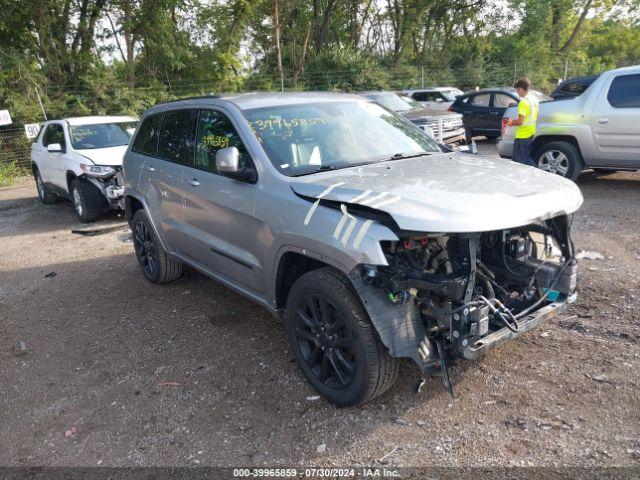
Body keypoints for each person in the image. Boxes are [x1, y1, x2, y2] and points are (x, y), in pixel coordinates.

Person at [507, 77, 539, 167]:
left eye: (517, 90)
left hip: (522, 135)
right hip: (530, 132)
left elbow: (520, 121)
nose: (517, 92)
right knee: (525, 157)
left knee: (520, 161)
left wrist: (511, 122)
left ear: (521, 88)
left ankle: (538, 173)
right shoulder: (534, 100)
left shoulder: (524, 102)